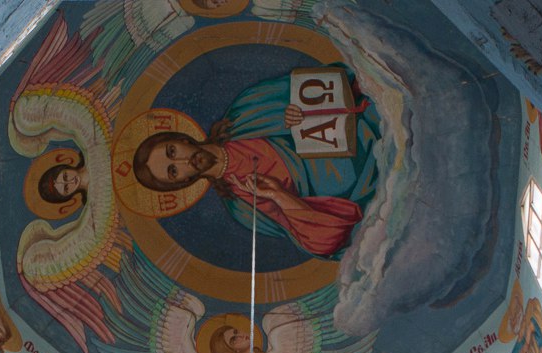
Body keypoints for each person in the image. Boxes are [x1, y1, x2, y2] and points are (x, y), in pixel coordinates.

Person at [131, 71, 382, 259]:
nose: (183, 160)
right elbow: (322, 243)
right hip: (360, 189)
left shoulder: (245, 111)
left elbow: (326, 82)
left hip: (365, 128)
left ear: (181, 139)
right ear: (182, 182)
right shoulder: (241, 207)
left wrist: (294, 112)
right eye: (173, 170)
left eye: (172, 151)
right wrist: (278, 195)